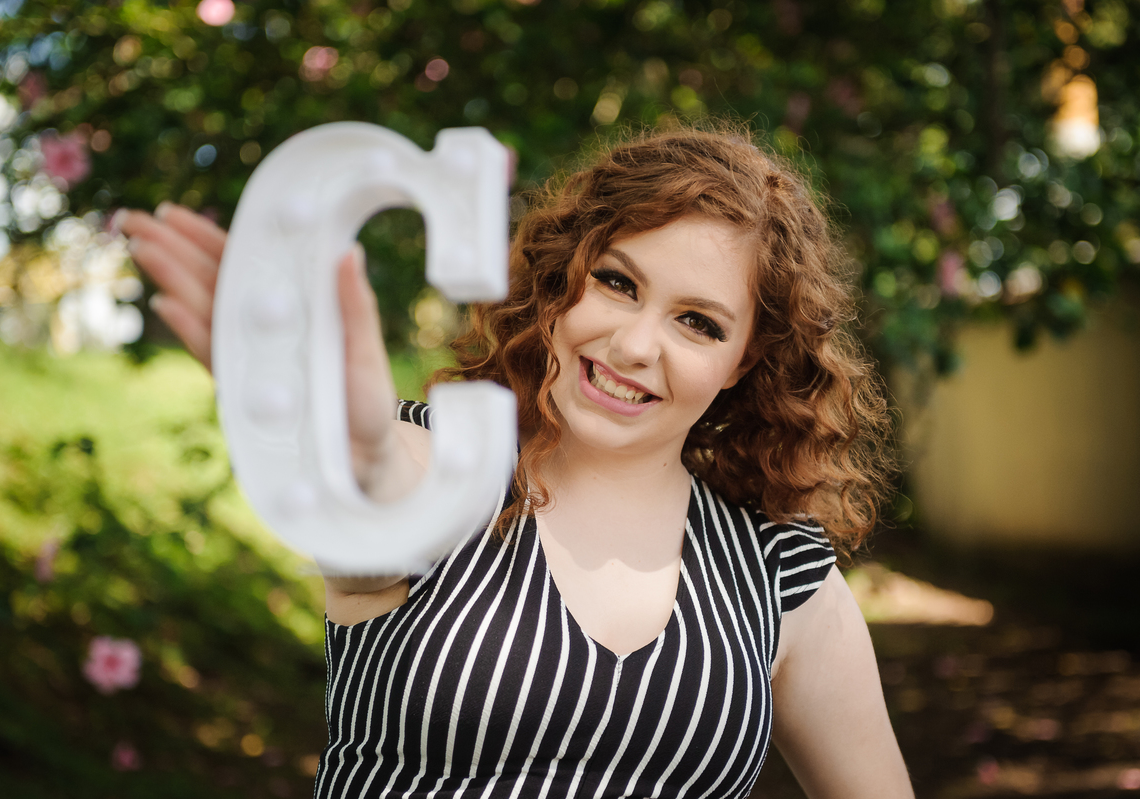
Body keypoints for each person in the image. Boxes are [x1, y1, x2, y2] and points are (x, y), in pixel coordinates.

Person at [117, 123, 914, 798]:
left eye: (699, 323)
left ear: (744, 360)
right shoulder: (428, 462)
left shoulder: (780, 577)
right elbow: (371, 478)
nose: (635, 346)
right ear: (562, 280)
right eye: (616, 282)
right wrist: (339, 436)